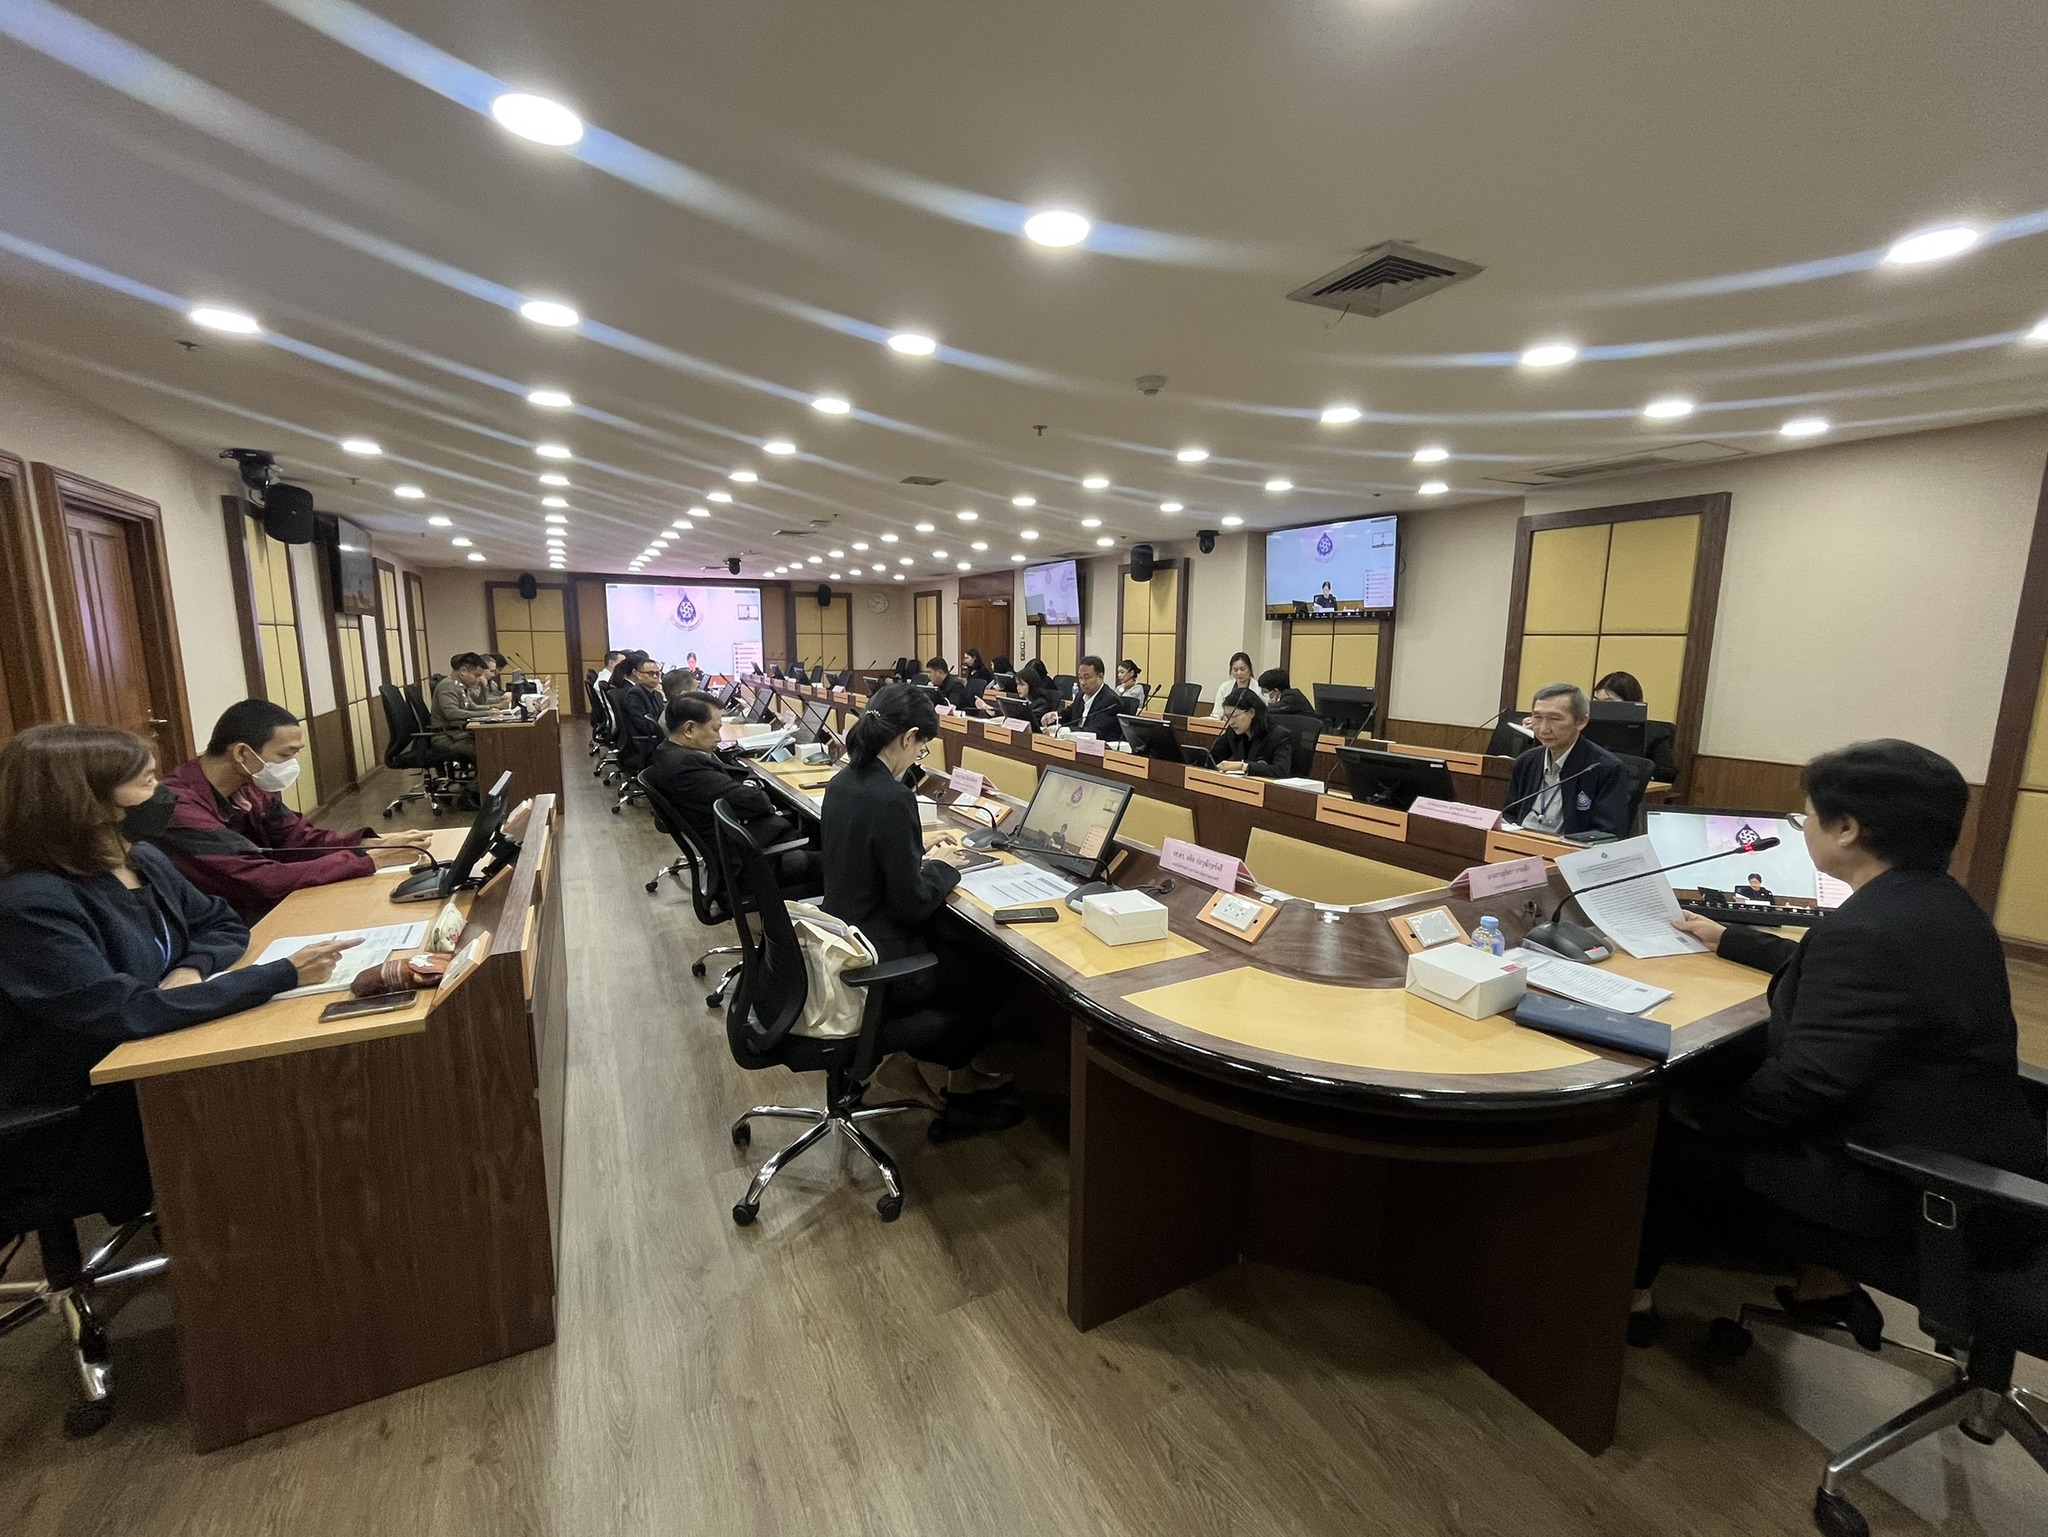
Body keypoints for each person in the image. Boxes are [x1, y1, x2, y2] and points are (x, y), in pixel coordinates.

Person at [1631, 740, 2048, 1347]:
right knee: (1724, 1072)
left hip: (1918, 1192)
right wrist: (1732, 939)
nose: (1803, 827)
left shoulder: (1868, 930)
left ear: (1847, 828)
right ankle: (1823, 1281)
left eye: (1807, 816)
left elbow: (1804, 1086)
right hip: (1981, 1157)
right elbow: (1850, 982)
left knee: (1659, 1124)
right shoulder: (1939, 903)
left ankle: (1631, 1298)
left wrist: (1702, 1114)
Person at [0, 725, 355, 1220]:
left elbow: (221, 922)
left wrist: (191, 968)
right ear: (88, 803)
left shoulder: (139, 858)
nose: (164, 794)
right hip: (88, 1101)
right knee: (295, 1106)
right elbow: (125, 1012)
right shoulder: (31, 903)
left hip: (168, 1044)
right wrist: (281, 975)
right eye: (147, 782)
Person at [818, 685, 1022, 1133]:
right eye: (922, 747)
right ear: (908, 737)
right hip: (881, 953)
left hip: (846, 937)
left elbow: (866, 853)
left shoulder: (842, 782)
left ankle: (947, 1072)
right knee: (991, 970)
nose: (919, 756)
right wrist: (944, 867)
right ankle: (928, 1072)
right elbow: (910, 905)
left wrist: (917, 850)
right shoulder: (894, 797)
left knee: (964, 953)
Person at [155, 700, 432, 923]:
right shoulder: (179, 807)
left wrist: (370, 844)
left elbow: (298, 838)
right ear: (242, 753)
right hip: (223, 924)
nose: (291, 766)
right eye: (285, 755)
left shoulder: (249, 783)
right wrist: (371, 860)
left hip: (263, 905)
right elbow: (259, 879)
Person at [644, 694, 818, 891]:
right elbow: (756, 802)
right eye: (715, 729)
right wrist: (754, 786)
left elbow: (737, 782)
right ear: (690, 729)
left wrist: (750, 784)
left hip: (739, 852)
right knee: (836, 859)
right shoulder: (685, 767)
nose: (719, 738)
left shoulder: (668, 752)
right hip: (749, 867)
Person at [1502, 683, 1631, 838]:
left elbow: (1606, 834)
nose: (1543, 729)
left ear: (1581, 722)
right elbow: (1509, 814)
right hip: (1519, 842)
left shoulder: (1604, 769)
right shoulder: (1526, 761)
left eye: (1554, 719)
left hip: (1567, 849)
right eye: (1537, 717)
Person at [1592, 670, 1681, 783]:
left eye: (1609, 701)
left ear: (1629, 701)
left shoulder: (1656, 733)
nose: (1601, 708)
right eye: (1596, 701)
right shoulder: (1588, 727)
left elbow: (1668, 773)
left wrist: (1643, 774)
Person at [1210, 689, 1297, 778]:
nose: (1231, 722)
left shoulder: (1279, 735)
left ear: (1251, 712)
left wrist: (1243, 766)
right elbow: (1212, 757)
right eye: (1227, 717)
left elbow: (1281, 770)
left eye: (1234, 716)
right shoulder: (1232, 732)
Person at [431, 652, 501, 758]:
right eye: (476, 675)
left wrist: (496, 709)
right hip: (447, 737)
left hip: (458, 734)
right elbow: (452, 713)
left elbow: (472, 707)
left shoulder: (460, 685)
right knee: (487, 752)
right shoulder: (448, 686)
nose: (478, 679)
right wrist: (487, 713)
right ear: (463, 671)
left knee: (494, 745)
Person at [1044, 656, 1123, 742]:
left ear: (1100, 677)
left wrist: (1065, 730)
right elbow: (1069, 713)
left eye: (1087, 677)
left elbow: (1096, 731)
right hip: (1076, 744)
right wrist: (1055, 716)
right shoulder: (1081, 695)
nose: (1082, 682)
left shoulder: (1110, 700)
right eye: (1080, 678)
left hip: (1099, 747)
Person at [613, 651, 666, 775]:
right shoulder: (634, 694)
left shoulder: (657, 695)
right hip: (642, 745)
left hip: (654, 740)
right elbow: (643, 725)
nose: (655, 677)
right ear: (637, 674)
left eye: (658, 673)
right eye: (650, 673)